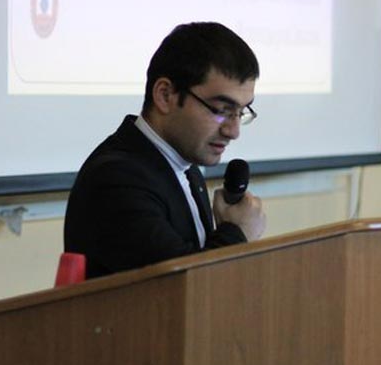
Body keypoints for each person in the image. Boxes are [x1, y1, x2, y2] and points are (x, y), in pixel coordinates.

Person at [64, 22, 267, 278]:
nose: (233, 131)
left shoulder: (185, 167)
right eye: (221, 110)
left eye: (241, 112)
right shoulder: (116, 179)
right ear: (165, 95)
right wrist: (237, 233)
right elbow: (177, 285)